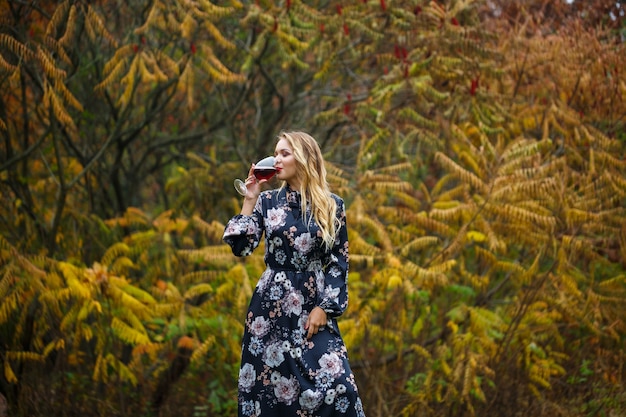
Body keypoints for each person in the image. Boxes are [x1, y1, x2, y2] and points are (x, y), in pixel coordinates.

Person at [223, 131, 366, 417]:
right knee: (271, 395)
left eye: (284, 153)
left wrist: (325, 308)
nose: (276, 159)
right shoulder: (267, 202)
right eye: (275, 153)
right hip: (270, 310)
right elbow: (241, 247)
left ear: (304, 158)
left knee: (339, 387)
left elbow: (339, 262)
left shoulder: (332, 205)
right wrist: (249, 200)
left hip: (313, 305)